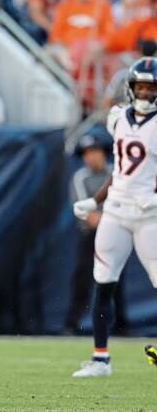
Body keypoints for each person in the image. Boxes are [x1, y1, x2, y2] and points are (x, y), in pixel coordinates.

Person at [72, 56, 157, 377]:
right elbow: (120, 172)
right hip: (116, 211)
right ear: (131, 89)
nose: (146, 94)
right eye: (141, 87)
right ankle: (100, 359)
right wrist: (95, 201)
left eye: (151, 88)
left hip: (149, 215)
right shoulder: (118, 118)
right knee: (103, 282)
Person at [67, 133, 127, 334]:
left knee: (116, 279)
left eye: (94, 151)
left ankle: (121, 324)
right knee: (84, 277)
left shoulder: (116, 174)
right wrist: (111, 217)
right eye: (86, 153)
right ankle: (72, 323)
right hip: (91, 236)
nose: (90, 157)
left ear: (103, 152)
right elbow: (89, 216)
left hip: (117, 235)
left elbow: (125, 204)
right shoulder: (80, 177)